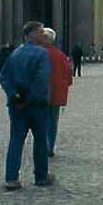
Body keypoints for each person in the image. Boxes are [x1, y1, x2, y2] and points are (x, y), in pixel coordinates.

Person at [0, 21, 53, 190]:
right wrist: (29, 99)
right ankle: (41, 176)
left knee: (16, 140)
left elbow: (4, 78)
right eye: (39, 32)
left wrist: (14, 95)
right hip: (37, 105)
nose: (42, 35)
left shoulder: (15, 53)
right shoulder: (42, 54)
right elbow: (41, 80)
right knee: (40, 141)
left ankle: (11, 177)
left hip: (16, 105)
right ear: (30, 34)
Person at [42, 27, 73, 158]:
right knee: (53, 122)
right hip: (57, 95)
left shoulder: (39, 54)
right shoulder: (61, 56)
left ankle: (43, 145)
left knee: (41, 121)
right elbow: (69, 78)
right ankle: (50, 146)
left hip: (41, 94)